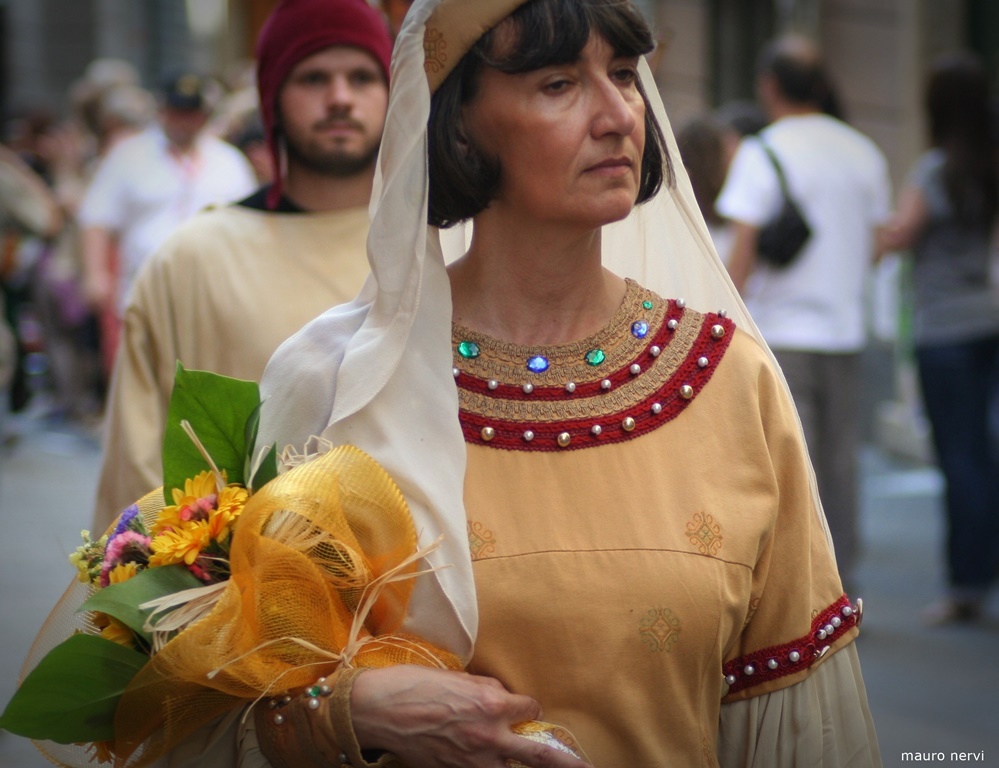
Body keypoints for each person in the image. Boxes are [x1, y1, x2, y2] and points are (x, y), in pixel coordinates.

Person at [250, 0, 882, 765]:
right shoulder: (339, 382)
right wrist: (345, 711)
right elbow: (241, 695)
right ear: (457, 123)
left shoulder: (728, 378)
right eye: (557, 84)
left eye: (621, 74)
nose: (619, 113)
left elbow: (796, 720)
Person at [90, 0, 392, 528]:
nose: (340, 98)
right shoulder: (189, 262)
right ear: (273, 96)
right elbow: (136, 470)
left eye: (362, 77)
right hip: (234, 597)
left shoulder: (450, 248)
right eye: (314, 77)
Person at [715, 35, 892, 592]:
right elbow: (877, 240)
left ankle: (798, 586)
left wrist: (725, 314)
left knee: (790, 464)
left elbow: (741, 248)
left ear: (769, 87)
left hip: (780, 332)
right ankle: (842, 578)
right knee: (841, 462)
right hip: (844, 329)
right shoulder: (863, 151)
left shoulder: (763, 151)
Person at [878, 52, 999, 625]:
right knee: (987, 453)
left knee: (961, 458)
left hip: (944, 330)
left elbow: (900, 234)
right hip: (988, 321)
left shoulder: (933, 171)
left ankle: (966, 585)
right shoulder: (987, 167)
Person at [76, 72, 256, 369]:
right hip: (143, 292)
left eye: (191, 113)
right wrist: (96, 276)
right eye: (177, 112)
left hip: (213, 295)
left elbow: (250, 223)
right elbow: (97, 217)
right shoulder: (129, 155)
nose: (184, 120)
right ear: (162, 112)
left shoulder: (228, 160)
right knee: (144, 379)